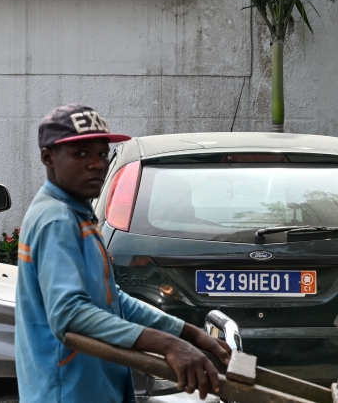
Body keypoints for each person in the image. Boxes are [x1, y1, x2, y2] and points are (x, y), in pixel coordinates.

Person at [15, 104, 231, 403]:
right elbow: (70, 314)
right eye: (81, 154)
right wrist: (168, 344)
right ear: (47, 158)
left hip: (94, 386)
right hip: (69, 392)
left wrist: (187, 333)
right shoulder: (56, 220)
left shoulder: (76, 214)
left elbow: (112, 301)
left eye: (102, 154)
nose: (97, 164)